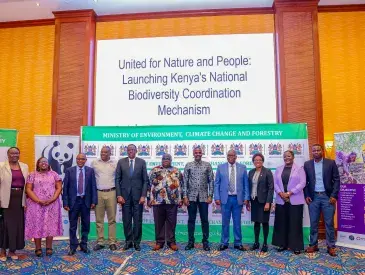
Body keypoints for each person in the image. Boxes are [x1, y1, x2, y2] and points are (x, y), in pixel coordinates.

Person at [304, 144, 340, 257]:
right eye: (314, 150)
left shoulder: (331, 163)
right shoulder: (307, 164)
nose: (316, 152)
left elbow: (337, 180)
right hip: (313, 198)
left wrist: (334, 196)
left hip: (327, 197)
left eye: (318, 150)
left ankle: (331, 246)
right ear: (312, 152)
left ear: (322, 151)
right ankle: (313, 244)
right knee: (313, 222)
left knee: (329, 223)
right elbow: (305, 182)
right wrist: (307, 195)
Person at [25, 157, 63, 257]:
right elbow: (28, 189)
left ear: (48, 163)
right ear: (38, 164)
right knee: (37, 225)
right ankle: (37, 248)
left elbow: (59, 187)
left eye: (45, 161)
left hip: (52, 204)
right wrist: (38, 200)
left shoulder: (54, 174)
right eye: (41, 162)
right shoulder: (32, 174)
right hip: (35, 204)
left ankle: (49, 247)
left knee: (50, 225)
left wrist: (53, 199)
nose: (44, 163)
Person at [214, 150, 249, 251]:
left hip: (238, 199)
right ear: (227, 156)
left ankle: (238, 243)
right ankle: (224, 242)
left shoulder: (242, 168)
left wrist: (246, 198)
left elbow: (246, 184)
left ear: (236, 157)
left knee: (237, 222)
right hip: (225, 199)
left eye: (233, 155)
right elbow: (217, 183)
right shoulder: (220, 167)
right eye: (229, 155)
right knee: (225, 222)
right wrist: (216, 197)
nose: (231, 157)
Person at [62, 153, 97, 255]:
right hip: (74, 201)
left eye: (83, 159)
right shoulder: (69, 170)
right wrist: (65, 202)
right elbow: (65, 188)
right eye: (78, 159)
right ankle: (73, 246)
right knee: (73, 225)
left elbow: (93, 186)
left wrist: (94, 201)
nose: (80, 161)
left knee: (86, 225)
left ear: (85, 160)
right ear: (76, 160)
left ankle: (84, 244)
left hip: (86, 201)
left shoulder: (90, 171)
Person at [272, 150, 306, 255]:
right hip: (281, 200)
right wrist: (280, 193)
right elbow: (275, 183)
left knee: (295, 224)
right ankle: (282, 244)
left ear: (293, 157)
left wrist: (290, 193)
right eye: (285, 156)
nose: (287, 158)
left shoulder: (299, 168)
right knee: (281, 223)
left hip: (295, 200)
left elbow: (303, 183)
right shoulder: (278, 169)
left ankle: (296, 246)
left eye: (289, 156)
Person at [115, 144, 148, 251]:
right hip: (124, 197)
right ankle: (128, 242)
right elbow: (117, 179)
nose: (130, 151)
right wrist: (119, 195)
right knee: (127, 220)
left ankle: (137, 242)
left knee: (138, 220)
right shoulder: (121, 162)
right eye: (129, 150)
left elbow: (145, 181)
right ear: (126, 151)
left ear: (136, 151)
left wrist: (143, 195)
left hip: (138, 197)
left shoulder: (141, 162)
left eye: (132, 149)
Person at [148, 153, 183, 251]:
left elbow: (181, 186)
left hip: (172, 201)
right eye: (164, 159)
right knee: (159, 223)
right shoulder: (155, 170)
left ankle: (171, 242)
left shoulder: (176, 171)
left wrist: (181, 199)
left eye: (168, 159)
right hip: (158, 202)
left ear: (171, 160)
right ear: (161, 160)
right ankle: (159, 242)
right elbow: (148, 185)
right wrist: (149, 199)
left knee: (172, 223)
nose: (166, 160)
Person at [183, 147, 214, 251]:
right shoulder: (188, 165)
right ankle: (190, 242)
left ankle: (205, 242)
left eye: (199, 152)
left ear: (202, 154)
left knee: (204, 220)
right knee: (191, 220)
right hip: (191, 197)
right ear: (193, 153)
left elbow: (211, 182)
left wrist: (210, 195)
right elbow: (185, 182)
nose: (198, 154)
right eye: (196, 152)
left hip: (204, 198)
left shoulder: (207, 165)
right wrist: (185, 196)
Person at [0, 147, 28, 261]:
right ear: (8, 154)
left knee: (16, 226)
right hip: (5, 199)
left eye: (16, 153)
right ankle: (2, 251)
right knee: (4, 226)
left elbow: (27, 185)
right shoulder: (1, 166)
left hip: (19, 200)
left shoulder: (25, 166)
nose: (14, 155)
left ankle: (12, 251)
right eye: (12, 153)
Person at [91, 146, 118, 251]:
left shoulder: (115, 163)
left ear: (110, 153)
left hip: (112, 192)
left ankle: (112, 241)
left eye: (106, 152)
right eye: (102, 152)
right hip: (98, 193)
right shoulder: (94, 163)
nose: (103, 154)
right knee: (99, 219)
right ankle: (100, 241)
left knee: (112, 219)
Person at [248, 153, 274, 253]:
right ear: (253, 161)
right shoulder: (251, 172)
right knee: (256, 222)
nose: (257, 161)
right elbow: (249, 186)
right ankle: (256, 243)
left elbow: (271, 188)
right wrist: (248, 201)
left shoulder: (267, 171)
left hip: (264, 202)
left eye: (259, 160)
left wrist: (268, 202)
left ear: (262, 161)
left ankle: (265, 243)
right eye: (255, 160)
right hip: (254, 201)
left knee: (265, 222)